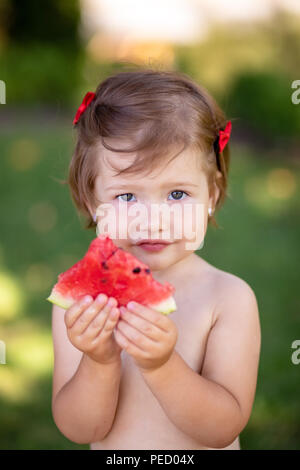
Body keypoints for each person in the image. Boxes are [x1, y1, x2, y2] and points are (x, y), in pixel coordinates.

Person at [51, 68, 261, 450]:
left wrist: (162, 366)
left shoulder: (229, 298)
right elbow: (80, 430)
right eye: (127, 197)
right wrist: (98, 361)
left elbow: (222, 428)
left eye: (177, 194)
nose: (154, 219)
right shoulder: (83, 308)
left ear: (211, 196)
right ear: (89, 201)